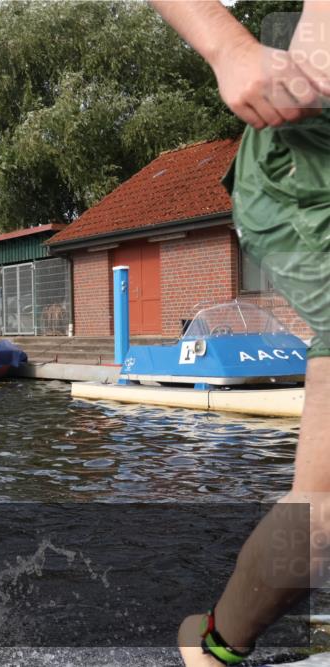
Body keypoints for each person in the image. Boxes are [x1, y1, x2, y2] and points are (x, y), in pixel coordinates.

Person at [148, 2, 330, 665]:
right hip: (314, 158)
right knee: (324, 507)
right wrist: (227, 45)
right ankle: (215, 644)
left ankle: (216, 642)